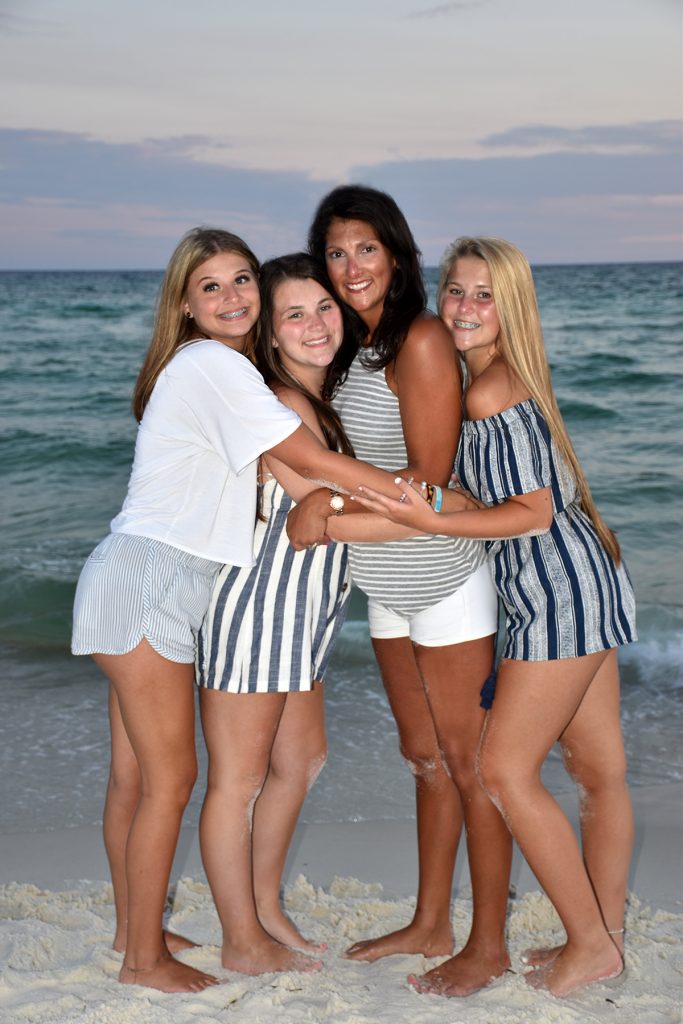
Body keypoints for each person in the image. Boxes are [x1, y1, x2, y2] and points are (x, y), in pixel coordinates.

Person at [71, 227, 411, 994]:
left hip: (143, 576)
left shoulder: (219, 374)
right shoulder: (213, 366)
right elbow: (313, 471)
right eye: (210, 287)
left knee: (134, 779)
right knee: (169, 781)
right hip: (153, 580)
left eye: (239, 282)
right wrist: (424, 501)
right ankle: (144, 962)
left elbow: (305, 477)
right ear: (186, 308)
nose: (230, 298)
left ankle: (136, 927)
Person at [353, 235, 636, 998]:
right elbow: (496, 499)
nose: (463, 308)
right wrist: (431, 501)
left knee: (504, 770)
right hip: (587, 577)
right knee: (596, 775)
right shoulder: (498, 379)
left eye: (482, 295)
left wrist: (434, 525)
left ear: (510, 307)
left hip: (554, 592)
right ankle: (600, 936)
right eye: (454, 292)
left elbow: (532, 513)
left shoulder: (488, 389)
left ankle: (591, 946)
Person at [286, 186, 512, 994]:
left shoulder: (417, 340)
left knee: (469, 763)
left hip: (444, 578)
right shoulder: (350, 343)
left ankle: (486, 944)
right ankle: (430, 921)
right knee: (421, 759)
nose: (351, 267)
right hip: (381, 583)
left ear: (397, 255)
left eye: (365, 249)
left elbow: (430, 482)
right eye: (336, 251)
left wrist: (328, 508)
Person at [195, 253, 355, 974]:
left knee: (301, 761)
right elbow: (311, 513)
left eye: (323, 306)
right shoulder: (281, 404)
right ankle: (240, 940)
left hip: (307, 614)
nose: (315, 323)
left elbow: (331, 498)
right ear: (271, 330)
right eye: (293, 313)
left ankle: (262, 907)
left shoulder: (322, 400)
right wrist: (435, 511)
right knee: (239, 780)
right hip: (258, 608)